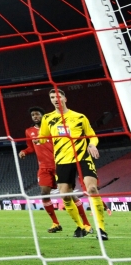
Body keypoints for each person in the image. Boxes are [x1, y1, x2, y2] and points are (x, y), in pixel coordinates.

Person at [40, 88, 107, 240]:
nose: (55, 99)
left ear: (65, 98)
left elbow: (92, 136)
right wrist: (39, 140)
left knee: (92, 189)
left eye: (58, 96)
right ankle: (81, 226)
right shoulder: (47, 118)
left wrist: (92, 144)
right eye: (52, 97)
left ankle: (101, 229)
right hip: (62, 160)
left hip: (82, 157)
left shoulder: (79, 117)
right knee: (65, 196)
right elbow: (43, 136)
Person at [19, 105, 88, 233]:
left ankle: (86, 223)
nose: (35, 116)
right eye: (33, 115)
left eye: (37, 114)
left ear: (43, 116)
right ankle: (56, 223)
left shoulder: (53, 127)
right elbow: (31, 148)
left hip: (60, 164)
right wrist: (24, 151)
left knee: (69, 194)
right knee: (44, 194)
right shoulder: (29, 131)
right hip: (44, 167)